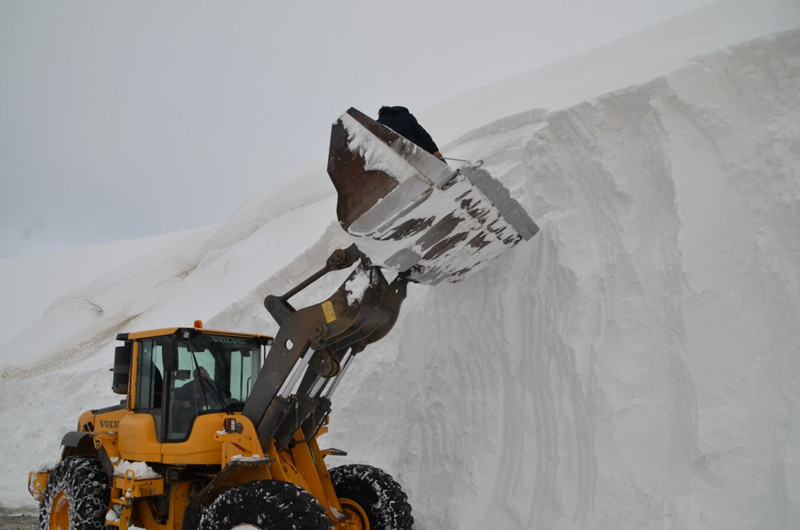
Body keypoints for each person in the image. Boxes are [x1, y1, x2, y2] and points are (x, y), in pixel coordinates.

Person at [377, 106, 444, 161]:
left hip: (402, 159)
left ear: (380, 114)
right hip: (420, 151)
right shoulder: (406, 116)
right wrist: (434, 150)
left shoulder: (379, 125)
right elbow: (422, 134)